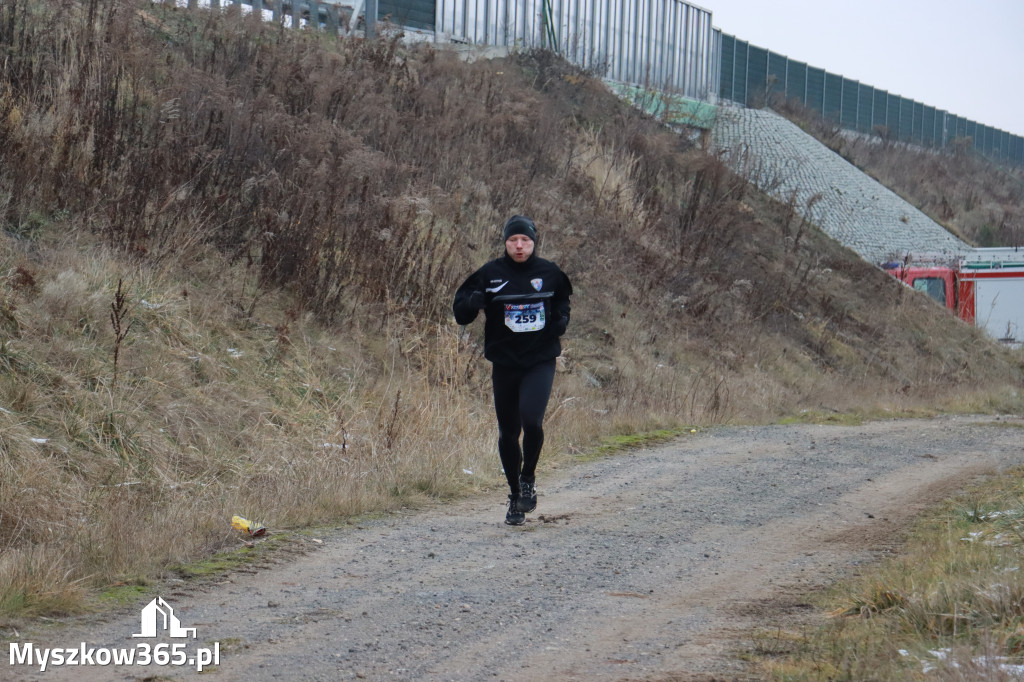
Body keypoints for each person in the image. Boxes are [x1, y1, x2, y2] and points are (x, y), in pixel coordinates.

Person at [453, 215, 573, 526]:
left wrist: (560, 321)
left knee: (531, 421)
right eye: (513, 241)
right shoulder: (490, 273)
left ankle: (528, 478)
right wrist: (473, 303)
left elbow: (563, 302)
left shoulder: (550, 272)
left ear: (534, 243)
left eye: (525, 241)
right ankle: (514, 496)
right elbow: (461, 312)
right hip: (505, 362)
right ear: (505, 243)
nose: (519, 246)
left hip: (539, 359)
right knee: (508, 433)